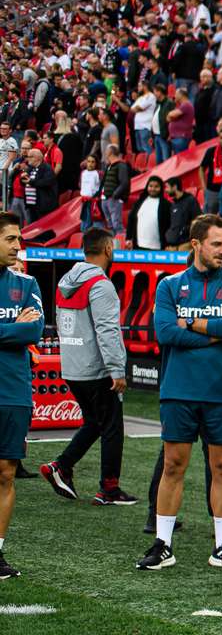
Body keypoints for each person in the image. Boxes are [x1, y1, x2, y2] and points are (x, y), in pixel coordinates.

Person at [138, 215, 222, 573]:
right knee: (173, 465)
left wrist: (191, 324)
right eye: (217, 243)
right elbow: (165, 333)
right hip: (179, 390)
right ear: (196, 244)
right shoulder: (169, 286)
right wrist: (212, 335)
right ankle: (162, 544)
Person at [42, 228, 133, 507]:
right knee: (112, 426)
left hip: (72, 366)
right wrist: (116, 369)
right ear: (107, 249)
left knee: (95, 422)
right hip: (97, 369)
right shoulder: (101, 285)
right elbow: (107, 330)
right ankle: (108, 489)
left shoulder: (65, 281)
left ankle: (62, 466)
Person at [0, 213, 43, 579]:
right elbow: (20, 330)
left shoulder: (27, 284)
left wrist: (15, 330)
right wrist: (13, 327)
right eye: (11, 239)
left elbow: (34, 332)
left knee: (5, 473)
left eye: (19, 239)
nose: (17, 246)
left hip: (14, 391)